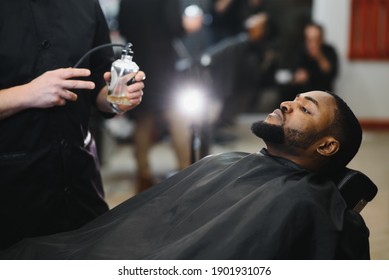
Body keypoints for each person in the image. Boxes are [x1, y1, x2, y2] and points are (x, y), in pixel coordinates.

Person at [0, 90, 371, 260]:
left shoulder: (303, 203)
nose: (287, 103)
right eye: (294, 99)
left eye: (304, 108)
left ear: (326, 147)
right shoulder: (224, 161)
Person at [0, 0, 145, 250]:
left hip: (80, 183)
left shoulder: (85, 4)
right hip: (12, 196)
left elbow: (98, 79)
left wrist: (115, 99)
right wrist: (27, 94)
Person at [118, 0, 203, 192]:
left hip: (139, 62)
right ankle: (187, 171)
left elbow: (122, 26)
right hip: (164, 65)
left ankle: (143, 175)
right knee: (178, 117)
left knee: (143, 120)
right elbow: (174, 27)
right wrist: (187, 26)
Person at [282, 22, 339, 101]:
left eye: (316, 39)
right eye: (310, 39)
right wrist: (297, 77)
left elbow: (331, 72)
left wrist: (319, 56)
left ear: (321, 39)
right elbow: (291, 74)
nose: (312, 43)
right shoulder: (299, 51)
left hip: (322, 97)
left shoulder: (329, 50)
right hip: (301, 97)